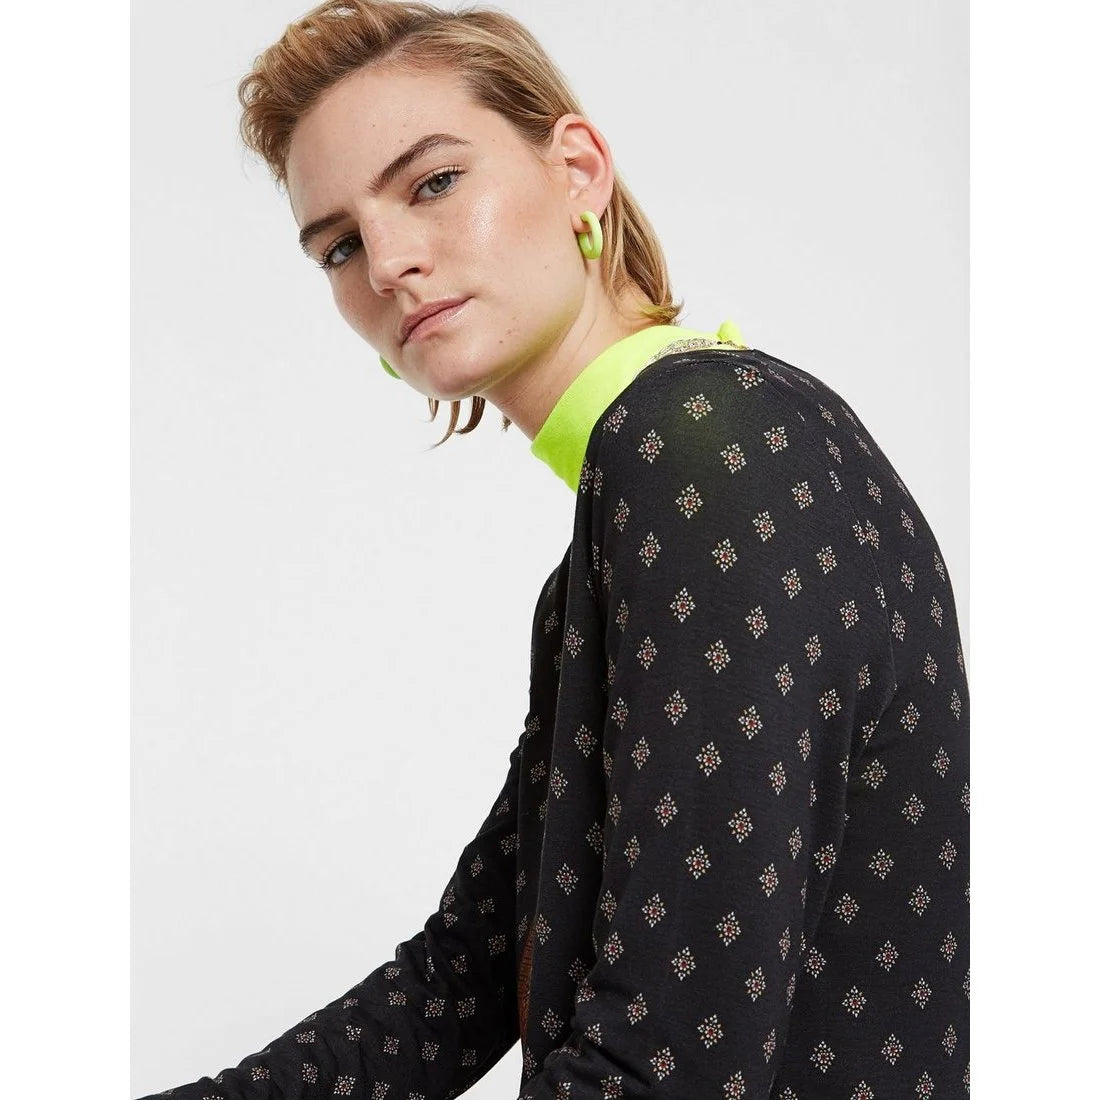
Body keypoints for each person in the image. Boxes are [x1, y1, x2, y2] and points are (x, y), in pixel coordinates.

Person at [136, 1, 970, 1097]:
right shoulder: (647, 503)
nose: (386, 262)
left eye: (433, 183)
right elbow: (456, 983)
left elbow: (664, 1065)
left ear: (577, 170)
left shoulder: (706, 448)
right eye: (338, 245)